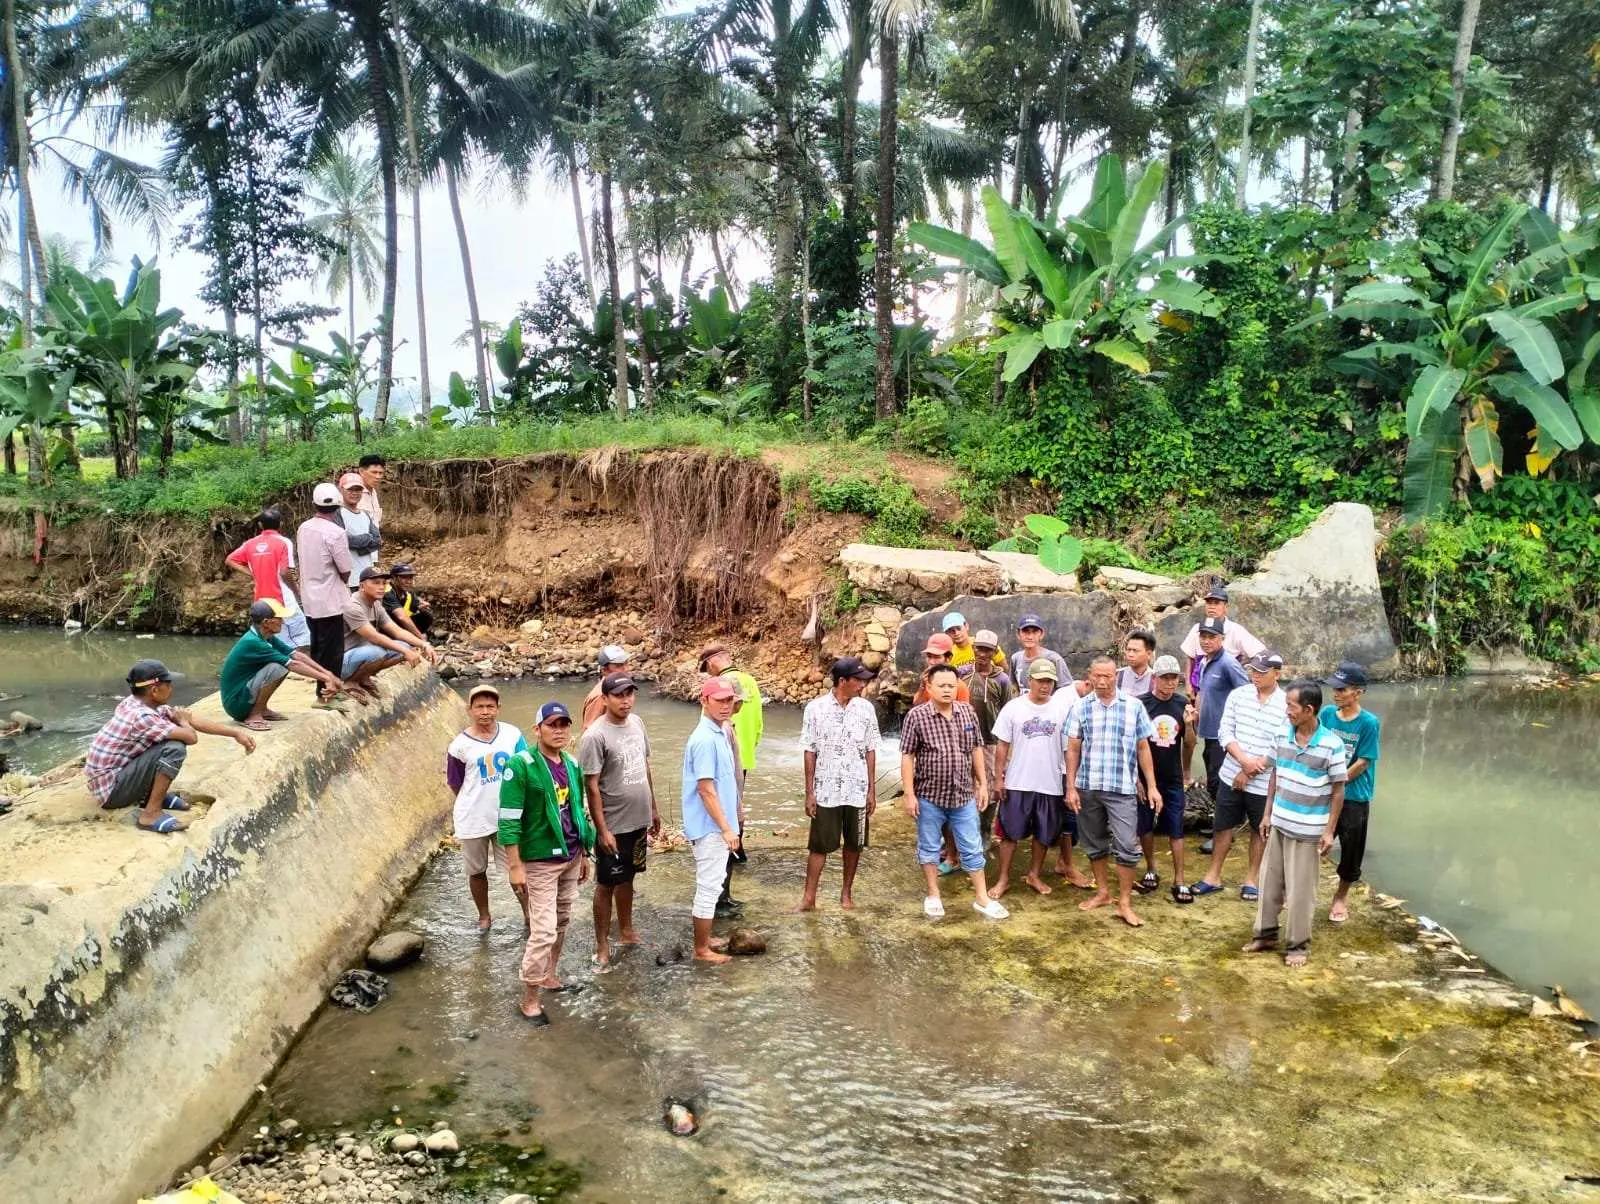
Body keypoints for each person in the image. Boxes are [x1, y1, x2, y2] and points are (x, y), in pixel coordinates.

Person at [1241, 680, 1347, 967]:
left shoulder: (1331, 745)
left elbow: (1338, 790)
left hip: (1308, 831)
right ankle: (1265, 935)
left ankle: (1298, 946)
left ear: (1309, 710)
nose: (1287, 710)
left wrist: (1329, 831)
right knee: (1269, 883)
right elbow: (1275, 774)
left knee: (1301, 892)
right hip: (1279, 823)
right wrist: (1266, 815)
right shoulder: (1281, 735)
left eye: (1291, 706)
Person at [500, 702, 593, 1026]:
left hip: (570, 855)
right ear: (537, 729)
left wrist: (585, 853)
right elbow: (509, 819)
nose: (559, 730)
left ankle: (551, 975)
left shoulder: (571, 763)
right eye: (552, 725)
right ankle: (529, 998)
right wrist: (515, 865)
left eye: (564, 725)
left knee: (564, 918)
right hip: (539, 860)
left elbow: (577, 810)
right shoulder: (520, 764)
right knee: (543, 930)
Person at [85, 659, 256, 835]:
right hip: (112, 791)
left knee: (164, 740)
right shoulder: (142, 716)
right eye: (168, 685)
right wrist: (183, 721)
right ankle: (150, 814)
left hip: (114, 779)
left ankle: (148, 795)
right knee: (174, 747)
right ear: (155, 690)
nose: (172, 689)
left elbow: (193, 720)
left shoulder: (138, 703)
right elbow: (190, 736)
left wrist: (235, 733)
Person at [899, 663, 1009, 921]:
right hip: (929, 796)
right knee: (928, 847)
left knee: (971, 847)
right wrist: (908, 794)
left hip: (962, 796)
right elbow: (907, 756)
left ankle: (982, 899)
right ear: (929, 687)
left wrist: (983, 783)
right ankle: (933, 894)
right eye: (942, 685)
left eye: (951, 685)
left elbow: (976, 750)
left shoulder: (967, 712)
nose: (947, 690)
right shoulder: (917, 716)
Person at [1065, 655, 1162, 927]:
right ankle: (1104, 893)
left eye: (1108, 675)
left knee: (1127, 846)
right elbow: (1073, 748)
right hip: (1088, 786)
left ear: (1116, 677)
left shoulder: (1133, 707)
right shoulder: (1081, 707)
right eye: (1098, 675)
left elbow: (1144, 747)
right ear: (1090, 676)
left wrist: (1152, 786)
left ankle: (1125, 903)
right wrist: (1070, 786)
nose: (1103, 680)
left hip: (1122, 788)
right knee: (1094, 842)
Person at [578, 674, 661, 970]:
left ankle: (626, 930)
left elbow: (645, 764)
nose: (625, 700)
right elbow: (591, 785)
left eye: (630, 694)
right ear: (605, 699)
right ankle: (601, 944)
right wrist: (602, 830)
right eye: (618, 695)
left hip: (638, 819)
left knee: (629, 876)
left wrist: (653, 807)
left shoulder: (637, 724)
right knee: (606, 884)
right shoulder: (595, 736)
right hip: (613, 824)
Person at [1192, 650, 1287, 900]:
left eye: (1261, 672)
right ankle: (1213, 875)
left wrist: (1251, 770)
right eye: (1253, 670)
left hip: (1264, 781)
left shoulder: (1286, 704)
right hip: (1231, 772)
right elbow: (1225, 732)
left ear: (1277, 674)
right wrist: (1244, 762)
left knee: (1259, 830)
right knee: (1222, 825)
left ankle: (1252, 878)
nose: (1255, 675)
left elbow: (1283, 746)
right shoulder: (1238, 695)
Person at [795, 657, 881, 912]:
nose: (863, 684)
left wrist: (871, 790)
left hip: (857, 788)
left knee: (854, 844)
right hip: (826, 789)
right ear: (842, 681)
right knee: (819, 845)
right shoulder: (815, 708)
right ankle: (809, 899)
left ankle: (846, 895)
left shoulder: (866, 709)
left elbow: (871, 749)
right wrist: (810, 792)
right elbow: (809, 750)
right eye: (858, 680)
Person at [445, 684, 527, 931]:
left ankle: (528, 913)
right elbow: (455, 782)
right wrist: (476, 801)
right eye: (479, 706)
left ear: (498, 708)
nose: (485, 711)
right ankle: (484, 915)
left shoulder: (512, 735)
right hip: (473, 818)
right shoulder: (459, 745)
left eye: (490, 706)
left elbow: (525, 769)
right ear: (470, 709)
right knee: (476, 870)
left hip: (507, 817)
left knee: (517, 867)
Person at [989, 658, 1072, 899]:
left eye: (1049, 681)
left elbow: (1069, 749)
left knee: (1044, 834)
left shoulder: (1061, 710)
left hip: (1050, 783)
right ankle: (1003, 878)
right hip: (1017, 782)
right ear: (1029, 681)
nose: (1045, 686)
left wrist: (1070, 784)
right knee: (1009, 833)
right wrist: (998, 779)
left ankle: (1034, 874)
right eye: (1040, 680)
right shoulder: (1014, 708)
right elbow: (1002, 745)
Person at [681, 676, 744, 964]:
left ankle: (704, 940)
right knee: (708, 887)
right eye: (719, 700)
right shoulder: (705, 739)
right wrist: (727, 828)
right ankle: (700, 949)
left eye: (729, 700)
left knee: (715, 883)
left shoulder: (720, 731)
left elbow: (725, 782)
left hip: (717, 823)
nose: (726, 705)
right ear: (704, 701)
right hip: (709, 827)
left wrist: (737, 812)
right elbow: (705, 790)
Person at [219, 600, 343, 730]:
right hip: (236, 704)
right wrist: (326, 678)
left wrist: (327, 674)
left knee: (279, 666)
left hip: (242, 696)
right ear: (266, 622)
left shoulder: (265, 636)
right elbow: (292, 664)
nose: (282, 622)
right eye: (279, 618)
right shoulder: (253, 642)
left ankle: (262, 709)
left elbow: (295, 654)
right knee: (278, 667)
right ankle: (254, 715)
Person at [1320, 662, 1381, 924]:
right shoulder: (1326, 715)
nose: (1335, 693)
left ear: (1357, 693)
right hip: (1324, 790)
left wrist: (1339, 780)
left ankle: (1340, 897)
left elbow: (1364, 761)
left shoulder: (1368, 723)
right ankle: (1296, 889)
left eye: (1341, 689)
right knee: (1312, 839)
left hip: (1354, 794)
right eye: (1334, 687)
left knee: (1351, 848)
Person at [1139, 655, 1196, 903]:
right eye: (1165, 678)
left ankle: (1180, 879)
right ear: (1155, 678)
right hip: (1146, 776)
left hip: (1172, 777)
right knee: (1145, 825)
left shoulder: (1183, 704)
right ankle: (1151, 867)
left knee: (1176, 827)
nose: (1170, 683)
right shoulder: (1141, 704)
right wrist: (1138, 779)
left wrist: (1190, 725)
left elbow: (1190, 744)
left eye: (1174, 678)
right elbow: (1134, 744)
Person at [296, 483, 355, 698]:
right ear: (338, 505)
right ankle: (328, 692)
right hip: (330, 598)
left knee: (318, 646)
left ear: (314, 504)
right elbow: (346, 568)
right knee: (333, 650)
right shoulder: (337, 532)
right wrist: (343, 579)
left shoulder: (304, 528)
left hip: (310, 597)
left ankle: (321, 688)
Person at [342, 567, 435, 698]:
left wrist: (424, 644)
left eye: (383, 583)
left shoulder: (376, 604)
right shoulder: (352, 606)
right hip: (343, 660)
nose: (381, 587)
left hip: (362, 653)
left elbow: (397, 631)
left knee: (405, 646)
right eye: (376, 583)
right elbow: (374, 637)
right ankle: (349, 683)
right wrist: (406, 653)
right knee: (378, 652)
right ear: (362, 586)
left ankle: (363, 678)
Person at [225, 508, 310, 648]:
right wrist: (297, 591)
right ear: (281, 524)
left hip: (261, 602)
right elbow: (284, 572)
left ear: (260, 525)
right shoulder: (283, 542)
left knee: (270, 639)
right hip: (283, 601)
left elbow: (229, 560)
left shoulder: (250, 544)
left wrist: (252, 573)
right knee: (299, 641)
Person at [965, 629, 1016, 842]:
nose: (982, 654)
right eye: (979, 648)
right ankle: (964, 832)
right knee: (966, 785)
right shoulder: (963, 675)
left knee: (992, 786)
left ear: (995, 652)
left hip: (991, 741)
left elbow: (1008, 711)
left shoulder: (1002, 680)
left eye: (988, 650)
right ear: (973, 648)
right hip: (965, 741)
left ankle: (984, 831)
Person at [1192, 617, 1250, 803]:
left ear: (1222, 639)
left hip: (1223, 736)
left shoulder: (1228, 663)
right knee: (1212, 776)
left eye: (1211, 637)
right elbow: (1202, 693)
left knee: (1218, 779)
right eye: (1203, 636)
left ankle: (1222, 824)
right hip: (1208, 733)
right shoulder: (1203, 662)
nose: (1206, 641)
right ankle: (1216, 820)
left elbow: (1246, 694)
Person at [1180, 585, 1265, 692]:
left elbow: (1260, 653)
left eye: (1216, 603)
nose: (1211, 607)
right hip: (1199, 688)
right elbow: (1190, 657)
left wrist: (1240, 666)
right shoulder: (1197, 628)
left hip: (1224, 690)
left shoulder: (1236, 630)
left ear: (1226, 607)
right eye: (1209, 603)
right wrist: (1188, 685)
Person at [697, 642, 762, 779]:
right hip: (744, 756)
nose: (708, 674)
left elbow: (707, 725)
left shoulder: (716, 686)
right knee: (737, 799)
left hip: (722, 757)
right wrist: (749, 747)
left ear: (710, 663)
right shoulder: (750, 681)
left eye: (706, 669)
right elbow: (758, 724)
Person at [338, 473, 382, 586]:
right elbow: (341, 540)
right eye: (350, 489)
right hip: (348, 580)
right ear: (341, 490)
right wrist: (367, 538)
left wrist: (358, 547)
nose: (355, 493)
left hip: (367, 577)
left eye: (358, 489)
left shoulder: (365, 515)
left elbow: (377, 541)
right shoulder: (337, 514)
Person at [1009, 614, 1072, 689]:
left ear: (1041, 634)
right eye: (1026, 632)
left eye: (1034, 632)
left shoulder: (1054, 659)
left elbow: (1066, 690)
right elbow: (1014, 687)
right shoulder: (1016, 658)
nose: (1030, 637)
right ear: (1018, 634)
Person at [580, 644, 632, 728]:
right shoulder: (600, 696)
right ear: (604, 671)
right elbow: (589, 731)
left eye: (626, 663)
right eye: (619, 666)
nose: (626, 669)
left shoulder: (622, 689)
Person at [381, 563, 433, 641]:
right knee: (402, 619)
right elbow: (401, 617)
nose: (408, 581)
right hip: (385, 627)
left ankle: (409, 640)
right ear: (393, 578)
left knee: (426, 616)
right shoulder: (387, 592)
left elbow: (419, 603)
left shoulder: (407, 593)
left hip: (397, 625)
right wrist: (421, 638)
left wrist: (421, 607)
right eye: (404, 578)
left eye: (410, 578)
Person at [913, 633, 971, 703]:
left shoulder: (959, 687)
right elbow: (916, 707)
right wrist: (922, 687)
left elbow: (964, 711)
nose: (931, 662)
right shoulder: (926, 682)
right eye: (929, 656)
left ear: (948, 659)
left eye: (936, 657)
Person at [1116, 629, 1157, 698]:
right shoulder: (1116, 675)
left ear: (1149, 654)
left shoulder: (1156, 679)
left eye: (1135, 651)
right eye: (1128, 650)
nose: (1130, 654)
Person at [356, 453, 386, 525]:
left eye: (380, 473)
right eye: (374, 472)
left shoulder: (373, 492)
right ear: (361, 471)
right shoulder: (353, 494)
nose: (378, 477)